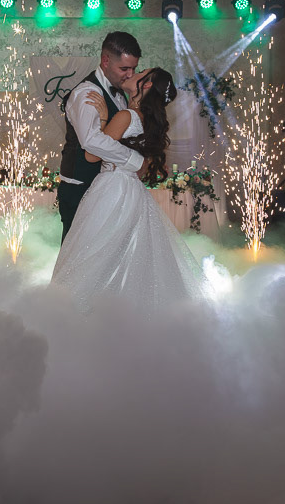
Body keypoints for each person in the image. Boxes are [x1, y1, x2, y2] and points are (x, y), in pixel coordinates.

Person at [52, 68, 207, 310]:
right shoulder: (145, 120)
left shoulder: (125, 115)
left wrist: (104, 119)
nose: (132, 74)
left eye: (141, 72)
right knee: (126, 255)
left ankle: (76, 309)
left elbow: (91, 155)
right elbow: (142, 168)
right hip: (134, 191)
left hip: (112, 189)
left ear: (147, 85)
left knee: (93, 252)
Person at [57, 31, 145, 243]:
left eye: (133, 68)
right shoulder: (87, 93)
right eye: (124, 68)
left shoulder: (120, 93)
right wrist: (135, 161)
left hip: (106, 188)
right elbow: (92, 141)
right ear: (106, 61)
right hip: (81, 187)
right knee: (78, 254)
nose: (130, 74)